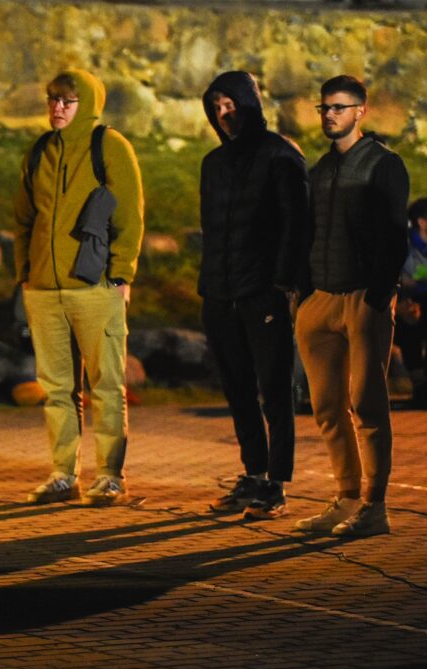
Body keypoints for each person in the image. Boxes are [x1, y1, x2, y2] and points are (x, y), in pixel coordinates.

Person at [14, 70, 144, 506]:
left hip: (94, 286)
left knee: (106, 384)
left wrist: (121, 274)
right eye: (52, 99)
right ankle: (63, 474)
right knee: (56, 389)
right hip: (43, 288)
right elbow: (23, 218)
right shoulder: (39, 150)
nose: (57, 108)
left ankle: (110, 475)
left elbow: (129, 215)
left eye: (67, 101)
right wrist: (25, 273)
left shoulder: (110, 146)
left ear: (85, 104)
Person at [292, 76, 410, 537]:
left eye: (338, 107)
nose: (329, 115)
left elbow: (395, 233)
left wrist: (378, 295)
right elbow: (307, 232)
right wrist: (304, 294)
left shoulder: (383, 164)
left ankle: (374, 506)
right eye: (324, 108)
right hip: (320, 299)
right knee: (326, 407)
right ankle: (345, 498)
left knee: (368, 405)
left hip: (364, 298)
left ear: (361, 111)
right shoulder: (320, 169)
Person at [198, 71, 309, 520]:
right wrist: (210, 285)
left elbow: (296, 223)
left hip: (263, 292)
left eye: (230, 104)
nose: (224, 114)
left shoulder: (280, 154)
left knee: (275, 389)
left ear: (249, 103)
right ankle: (253, 473)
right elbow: (211, 231)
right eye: (216, 107)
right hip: (220, 293)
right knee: (237, 388)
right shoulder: (213, 164)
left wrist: (284, 282)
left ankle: (276, 483)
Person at [395, 197, 427, 408]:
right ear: (421, 221)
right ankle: (420, 384)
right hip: (410, 300)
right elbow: (402, 276)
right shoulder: (406, 244)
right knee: (409, 332)